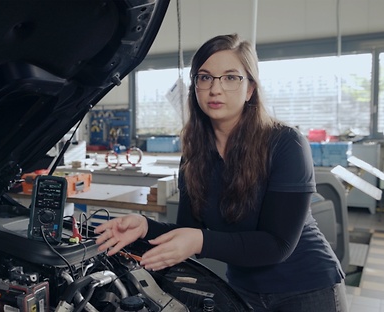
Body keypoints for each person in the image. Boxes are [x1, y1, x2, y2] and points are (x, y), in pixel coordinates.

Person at [95, 34, 347, 312]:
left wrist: (198, 240)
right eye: (205, 77)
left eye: (230, 78)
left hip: (306, 289)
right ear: (195, 87)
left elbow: (278, 244)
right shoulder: (194, 155)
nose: (216, 89)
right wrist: (145, 227)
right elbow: (189, 231)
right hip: (242, 290)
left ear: (250, 88)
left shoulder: (285, 142)